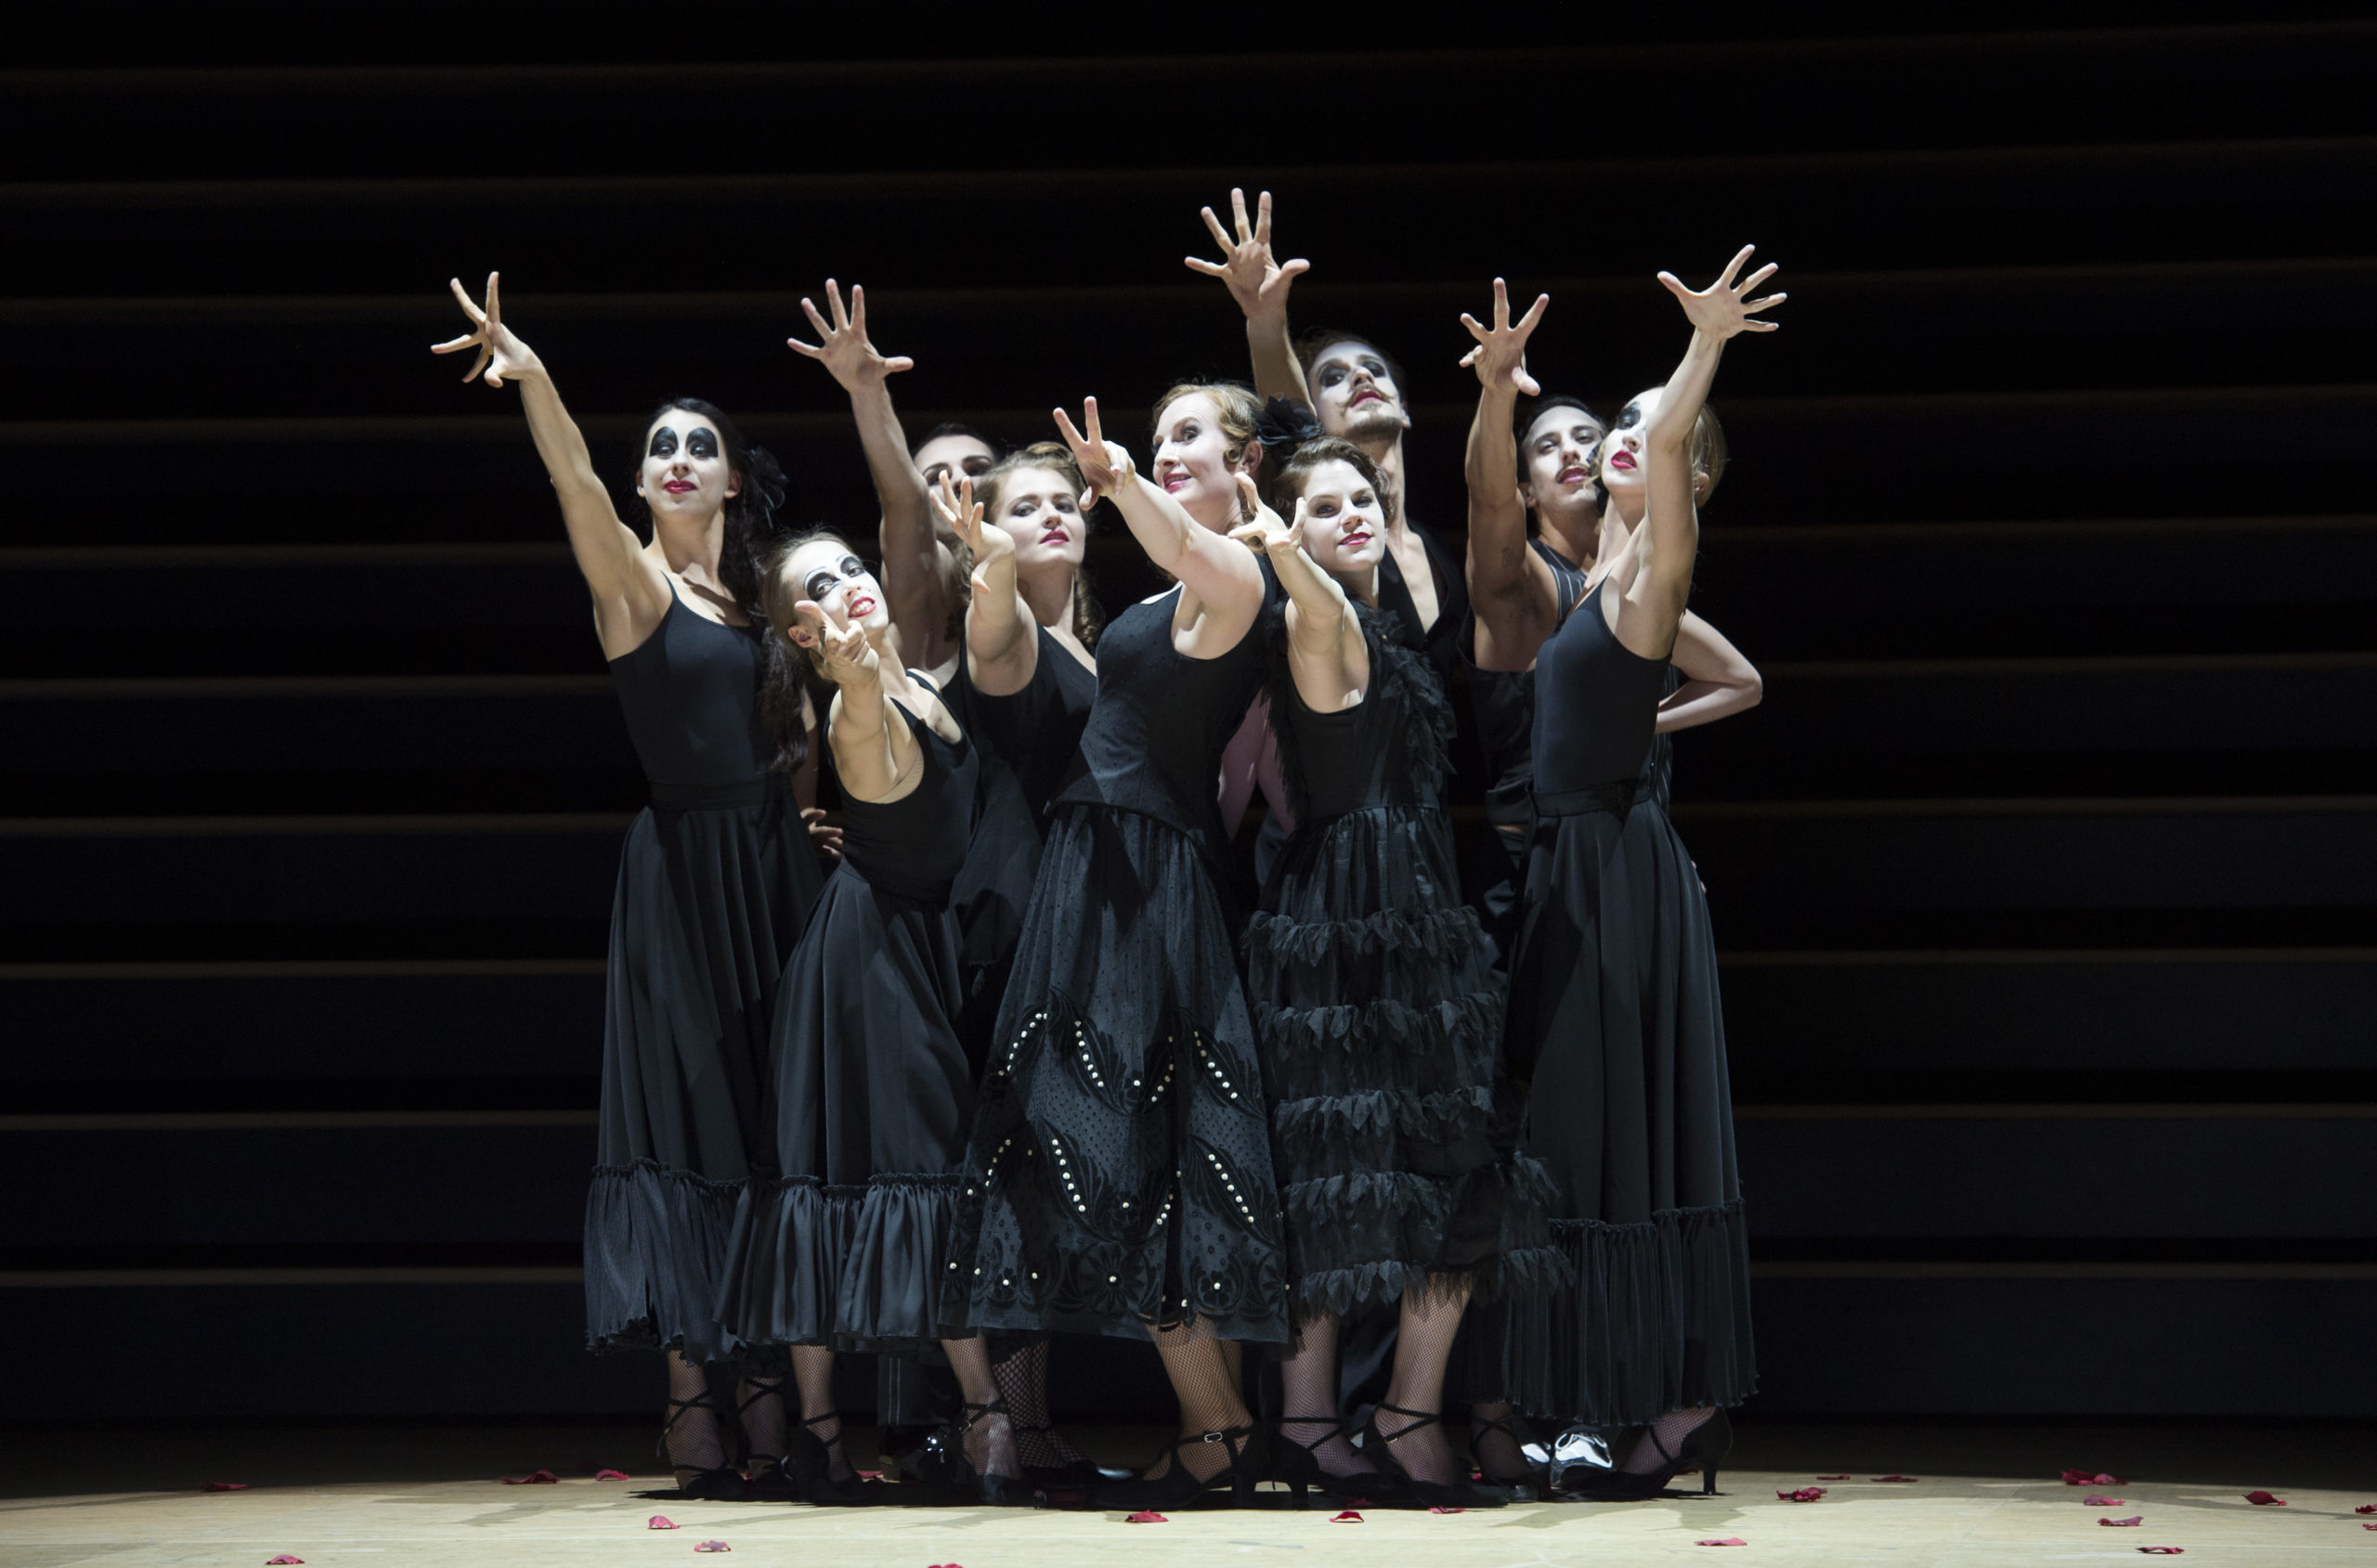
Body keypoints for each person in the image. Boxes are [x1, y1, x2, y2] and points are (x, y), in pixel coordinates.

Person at [432, 274, 825, 1500]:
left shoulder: (761, 600)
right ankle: (692, 1387)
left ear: (728, 476)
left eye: (697, 446)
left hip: (774, 871)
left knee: (766, 1120)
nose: (674, 458)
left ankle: (767, 1373)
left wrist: (815, 811)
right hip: (680, 878)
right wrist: (537, 380)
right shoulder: (635, 588)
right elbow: (575, 489)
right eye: (659, 444)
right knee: (683, 1121)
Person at [943, 388, 1288, 1510]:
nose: (1164, 447)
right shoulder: (1171, 589)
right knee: (1125, 1150)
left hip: (1134, 885)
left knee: (1131, 1156)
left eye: (1190, 434)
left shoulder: (1238, 573)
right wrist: (999, 556)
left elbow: (1191, 544)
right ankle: (1210, 1423)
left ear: (1245, 463)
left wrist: (1123, 482)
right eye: (1162, 434)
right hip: (1103, 883)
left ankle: (1221, 1424)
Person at [789, 286, 1107, 1486]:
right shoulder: (925, 625)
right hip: (959, 930)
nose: (966, 498)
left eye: (992, 480)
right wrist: (872, 400)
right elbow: (899, 513)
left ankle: (1017, 1417)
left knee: (1022, 1179)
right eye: (948, 484)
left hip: (1061, 917)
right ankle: (959, 1415)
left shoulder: (1082, 621)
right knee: (938, 1166)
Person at [1497, 249, 1784, 1499]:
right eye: (1613, 423)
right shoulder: (1589, 584)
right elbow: (1733, 683)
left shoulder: (1656, 570)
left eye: (1649, 432)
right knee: (1574, 1133)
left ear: (1691, 470)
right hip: (1579, 864)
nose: (1628, 438)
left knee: (1606, 1139)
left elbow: (1665, 452)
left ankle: (1609, 1406)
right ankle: (1617, 1399)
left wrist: (1703, 348)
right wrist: (1637, 736)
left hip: (1613, 873)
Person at [1231, 438, 1561, 1510]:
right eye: (1321, 508)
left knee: (1434, 1168)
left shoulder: (1389, 623)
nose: (1351, 515)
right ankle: (1323, 1422)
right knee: (1338, 1170)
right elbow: (1314, 610)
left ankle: (1388, 1414)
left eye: (1359, 497)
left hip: (1411, 918)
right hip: (1347, 924)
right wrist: (1289, 556)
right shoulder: (1312, 618)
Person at [718, 527, 1026, 1506]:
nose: (850, 586)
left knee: (866, 1169)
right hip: (870, 965)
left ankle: (829, 1431)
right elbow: (866, 737)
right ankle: (970, 1421)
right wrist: (852, 683)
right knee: (894, 1173)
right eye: (821, 586)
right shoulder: (858, 709)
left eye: (851, 566)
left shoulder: (922, 684)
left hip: (909, 951)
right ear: (802, 637)